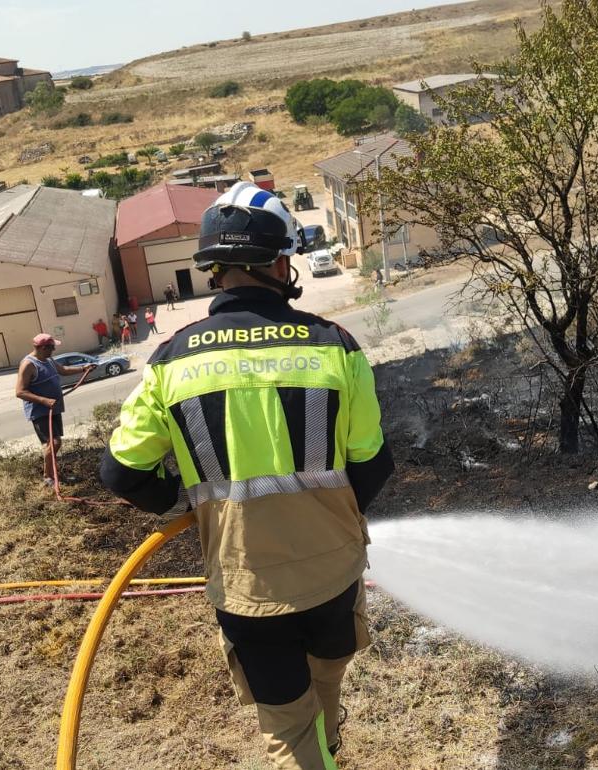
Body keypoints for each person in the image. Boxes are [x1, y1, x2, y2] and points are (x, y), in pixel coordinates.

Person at [101, 181, 393, 768]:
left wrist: (182, 505)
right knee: (326, 684)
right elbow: (373, 464)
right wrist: (329, 517)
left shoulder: (173, 362)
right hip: (333, 573)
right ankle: (328, 749)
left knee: (287, 730)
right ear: (280, 262)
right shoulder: (336, 347)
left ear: (214, 268)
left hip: (246, 586)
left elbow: (122, 471)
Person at [16, 333, 95, 486]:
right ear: (43, 347)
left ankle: (53, 474)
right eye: (52, 347)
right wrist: (44, 400)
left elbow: (63, 370)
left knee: (54, 443)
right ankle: (48, 477)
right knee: (54, 442)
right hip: (40, 410)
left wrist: (83, 368)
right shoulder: (28, 365)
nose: (53, 350)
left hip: (54, 407)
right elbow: (20, 392)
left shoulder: (49, 360)